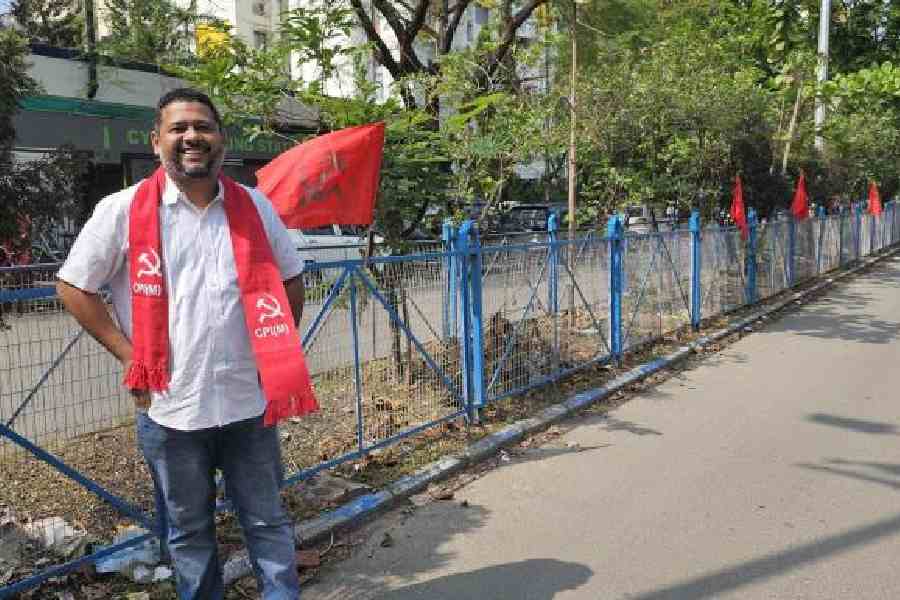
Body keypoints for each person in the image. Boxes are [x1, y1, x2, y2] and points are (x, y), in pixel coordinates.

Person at [56, 88, 316, 599]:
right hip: (171, 410)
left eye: (203, 127)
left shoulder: (254, 207)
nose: (191, 137)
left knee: (266, 521)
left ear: (221, 140)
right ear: (157, 143)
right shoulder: (123, 209)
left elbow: (291, 279)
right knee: (190, 534)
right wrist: (130, 356)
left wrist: (277, 350)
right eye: (178, 129)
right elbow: (73, 286)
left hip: (248, 403)